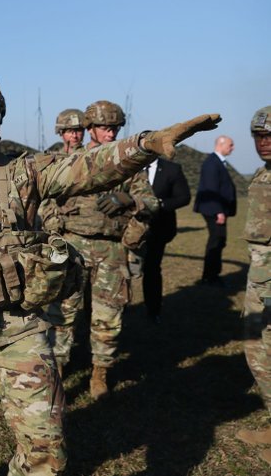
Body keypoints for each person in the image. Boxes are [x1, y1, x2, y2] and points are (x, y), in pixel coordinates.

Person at [0, 74, 218, 476]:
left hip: (22, 330)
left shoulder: (26, 173)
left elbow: (88, 167)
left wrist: (143, 144)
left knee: (47, 452)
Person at [47, 100, 159, 398]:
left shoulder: (130, 162)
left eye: (115, 129)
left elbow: (152, 202)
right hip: (73, 244)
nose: (110, 134)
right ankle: (56, 371)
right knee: (62, 312)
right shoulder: (73, 161)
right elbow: (48, 200)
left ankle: (100, 373)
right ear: (90, 128)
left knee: (108, 315)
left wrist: (129, 201)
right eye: (104, 128)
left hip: (111, 249)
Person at [236, 106, 271, 466]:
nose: (265, 142)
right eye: (259, 136)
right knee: (255, 347)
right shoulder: (264, 174)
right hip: (259, 278)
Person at [142, 156, 191, 322]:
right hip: (129, 229)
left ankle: (153, 310)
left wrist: (160, 204)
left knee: (152, 269)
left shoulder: (172, 169)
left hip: (158, 229)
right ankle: (120, 307)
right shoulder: (131, 166)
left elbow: (184, 197)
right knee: (124, 269)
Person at [194, 135, 237, 286]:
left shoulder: (217, 162)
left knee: (219, 240)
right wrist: (219, 211)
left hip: (217, 209)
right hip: (214, 210)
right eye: (231, 145)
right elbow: (211, 190)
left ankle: (212, 274)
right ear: (221, 144)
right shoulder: (212, 163)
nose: (232, 148)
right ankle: (210, 276)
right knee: (216, 241)